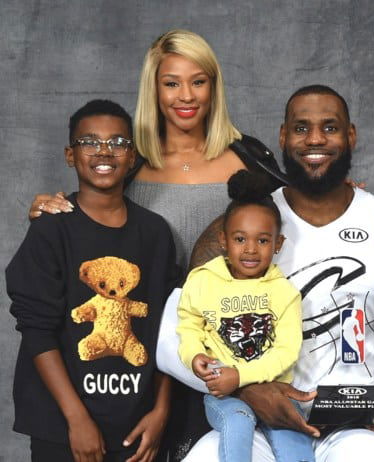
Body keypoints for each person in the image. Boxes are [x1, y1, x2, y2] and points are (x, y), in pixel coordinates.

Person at [27, 29, 287, 459]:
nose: (186, 96)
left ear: (214, 87)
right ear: (154, 88)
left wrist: (338, 194)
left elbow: (293, 221)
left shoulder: (251, 161)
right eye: (171, 83)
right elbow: (90, 226)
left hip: (232, 354)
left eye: (198, 81)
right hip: (149, 363)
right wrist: (47, 208)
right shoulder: (129, 164)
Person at [156, 84, 374, 462]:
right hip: (260, 418)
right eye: (301, 128)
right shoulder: (241, 230)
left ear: (351, 135)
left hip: (356, 424)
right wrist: (246, 389)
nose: (315, 139)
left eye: (330, 127)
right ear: (283, 136)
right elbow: (173, 339)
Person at [6, 100, 180, 462]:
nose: (104, 150)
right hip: (63, 425)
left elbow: (170, 326)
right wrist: (76, 418)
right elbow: (37, 329)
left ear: (132, 156)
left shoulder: (155, 233)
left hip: (137, 424)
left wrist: (161, 411)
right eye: (89, 141)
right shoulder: (51, 229)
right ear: (70, 155)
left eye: (118, 142)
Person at [176, 170, 313, 462]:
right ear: (224, 240)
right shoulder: (203, 280)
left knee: (295, 445)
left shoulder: (284, 293)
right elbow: (189, 326)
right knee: (238, 423)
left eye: (262, 241)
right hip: (225, 397)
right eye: (240, 239)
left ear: (278, 244)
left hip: (275, 390)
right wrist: (194, 355)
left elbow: (286, 351)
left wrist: (240, 376)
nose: (250, 249)